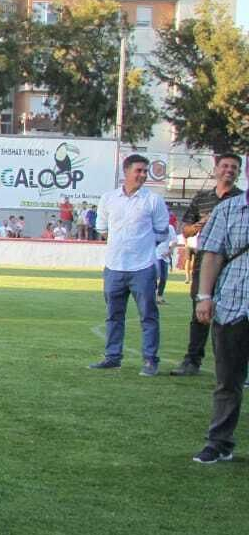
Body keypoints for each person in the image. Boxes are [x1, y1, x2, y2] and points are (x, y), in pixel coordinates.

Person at [89, 154, 169, 376]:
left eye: (145, 171)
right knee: (114, 315)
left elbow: (162, 232)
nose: (143, 175)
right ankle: (113, 357)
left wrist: (141, 245)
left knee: (148, 316)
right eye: (139, 170)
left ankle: (150, 360)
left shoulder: (153, 200)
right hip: (114, 267)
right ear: (126, 171)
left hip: (142, 268)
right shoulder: (108, 199)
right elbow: (102, 228)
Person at [191, 183, 249, 463]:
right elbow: (212, 254)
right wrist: (204, 296)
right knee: (228, 380)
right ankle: (219, 442)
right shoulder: (228, 209)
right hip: (233, 304)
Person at [174, 153, 243, 376]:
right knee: (199, 314)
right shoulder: (202, 198)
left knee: (236, 319)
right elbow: (184, 230)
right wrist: (199, 225)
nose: (229, 170)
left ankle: (233, 366)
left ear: (239, 172)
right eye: (225, 166)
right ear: (216, 170)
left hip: (235, 271)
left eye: (234, 167)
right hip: (204, 265)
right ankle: (192, 361)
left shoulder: (242, 199)